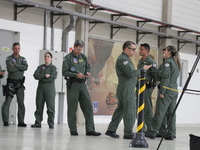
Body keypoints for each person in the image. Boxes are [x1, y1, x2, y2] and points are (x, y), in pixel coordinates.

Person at [105, 41, 152, 139]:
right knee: (130, 110)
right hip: (126, 89)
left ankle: (111, 129)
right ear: (127, 49)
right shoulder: (123, 60)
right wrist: (143, 69)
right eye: (133, 49)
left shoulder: (125, 59)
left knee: (121, 110)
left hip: (126, 88)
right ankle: (128, 133)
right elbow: (131, 73)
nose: (135, 51)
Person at [62, 39, 101, 136]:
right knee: (72, 108)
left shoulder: (83, 57)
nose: (80, 51)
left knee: (88, 106)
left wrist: (88, 73)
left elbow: (88, 67)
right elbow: (64, 72)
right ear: (74, 47)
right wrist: (75, 75)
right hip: (73, 84)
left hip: (83, 84)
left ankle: (90, 129)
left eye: (81, 50)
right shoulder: (67, 58)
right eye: (78, 49)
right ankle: (73, 129)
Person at [145, 46, 181, 140]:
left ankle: (152, 131)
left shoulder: (168, 63)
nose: (163, 53)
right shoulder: (175, 63)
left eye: (164, 51)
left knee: (160, 111)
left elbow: (166, 78)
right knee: (171, 113)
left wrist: (162, 91)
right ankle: (170, 133)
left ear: (169, 51)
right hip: (174, 91)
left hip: (167, 91)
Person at [1, 42, 28, 127]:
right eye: (15, 48)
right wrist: (19, 67)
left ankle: (21, 121)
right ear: (12, 49)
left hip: (20, 84)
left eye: (18, 48)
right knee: (7, 102)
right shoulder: (8, 58)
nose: (17, 50)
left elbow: (26, 67)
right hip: (11, 84)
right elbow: (10, 69)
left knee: (21, 102)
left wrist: (15, 65)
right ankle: (5, 121)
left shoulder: (23, 59)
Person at [31, 52, 57, 129]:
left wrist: (42, 78)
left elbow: (52, 77)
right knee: (39, 105)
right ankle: (38, 122)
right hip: (40, 88)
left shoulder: (53, 68)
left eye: (48, 56)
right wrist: (44, 76)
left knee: (50, 106)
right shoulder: (40, 67)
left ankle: (51, 123)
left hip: (50, 89)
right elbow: (35, 75)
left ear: (51, 58)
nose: (46, 58)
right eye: (45, 56)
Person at [137, 43, 158, 132]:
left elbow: (155, 76)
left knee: (148, 108)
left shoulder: (151, 62)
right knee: (139, 108)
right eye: (140, 49)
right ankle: (142, 128)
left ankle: (151, 130)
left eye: (141, 49)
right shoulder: (140, 61)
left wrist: (153, 86)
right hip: (139, 87)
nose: (140, 51)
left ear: (147, 51)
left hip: (146, 87)